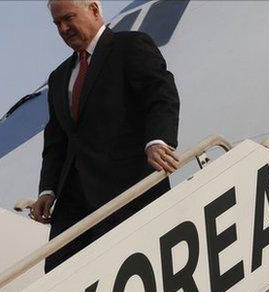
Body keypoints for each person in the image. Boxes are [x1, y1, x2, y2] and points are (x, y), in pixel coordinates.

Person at [30, 0, 180, 273]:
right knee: (61, 278)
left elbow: (160, 94)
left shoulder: (130, 46)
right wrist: (47, 189)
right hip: (73, 203)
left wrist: (158, 140)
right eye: (57, 24)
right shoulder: (59, 77)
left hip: (126, 188)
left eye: (68, 18)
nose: (63, 28)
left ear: (95, 10)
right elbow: (56, 141)